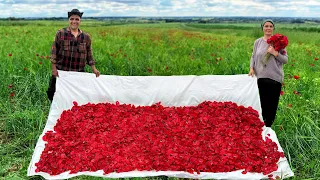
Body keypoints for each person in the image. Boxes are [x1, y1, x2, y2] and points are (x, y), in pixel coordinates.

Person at [47, 9, 100, 102]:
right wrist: (54, 69)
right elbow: (54, 51)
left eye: (77, 19)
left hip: (78, 72)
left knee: (77, 95)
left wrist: (94, 69)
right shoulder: (61, 33)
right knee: (52, 92)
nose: (74, 21)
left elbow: (89, 53)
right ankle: (57, 109)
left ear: (80, 21)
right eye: (72, 19)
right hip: (62, 71)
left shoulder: (85, 37)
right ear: (68, 20)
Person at [248, 19, 288, 127]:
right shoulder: (258, 42)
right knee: (260, 104)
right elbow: (253, 56)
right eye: (266, 26)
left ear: (273, 28)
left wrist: (275, 53)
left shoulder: (279, 42)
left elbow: (285, 60)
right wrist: (251, 68)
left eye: (271, 26)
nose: (268, 28)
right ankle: (260, 127)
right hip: (260, 78)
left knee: (271, 105)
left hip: (274, 79)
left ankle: (268, 127)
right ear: (263, 28)